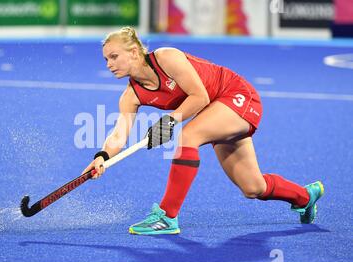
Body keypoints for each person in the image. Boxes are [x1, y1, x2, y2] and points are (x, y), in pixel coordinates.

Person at [82, 27, 324, 235]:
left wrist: (170, 121)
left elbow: (200, 96)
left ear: (134, 52)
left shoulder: (166, 58)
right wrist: (101, 157)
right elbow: (118, 135)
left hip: (237, 95)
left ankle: (167, 216)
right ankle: (305, 196)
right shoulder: (130, 96)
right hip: (214, 112)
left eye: (114, 56)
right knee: (253, 187)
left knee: (189, 135)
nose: (109, 64)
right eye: (105, 59)